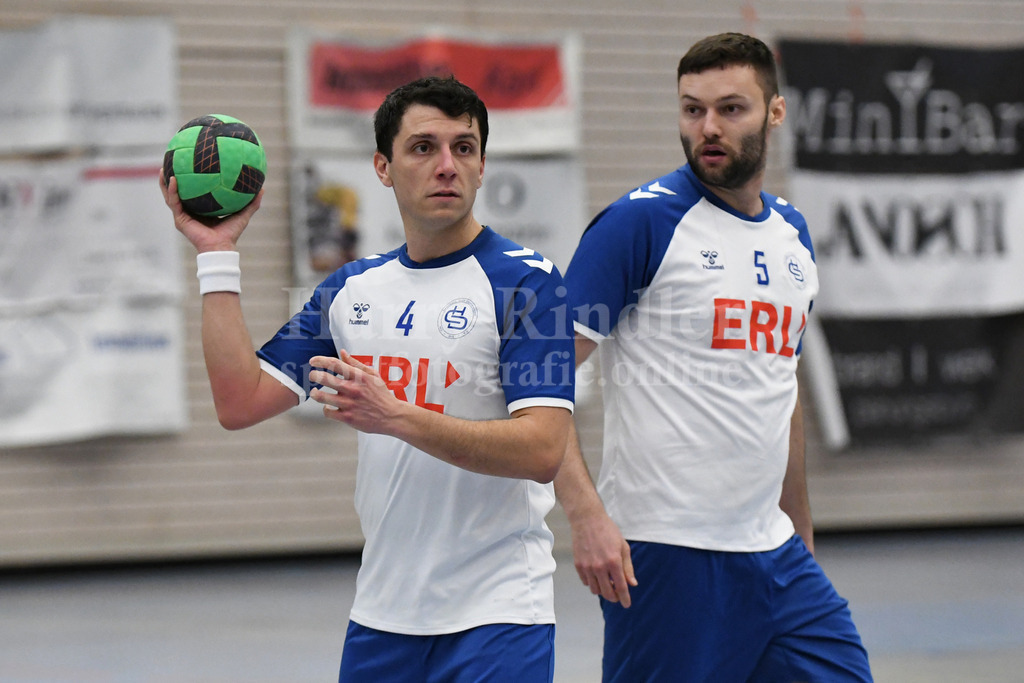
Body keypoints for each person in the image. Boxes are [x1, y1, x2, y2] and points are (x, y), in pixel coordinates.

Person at [161, 75, 575, 682]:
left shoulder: (527, 283)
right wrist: (216, 253)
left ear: (483, 166)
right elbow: (239, 400)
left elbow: (542, 449)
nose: (446, 166)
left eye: (464, 148)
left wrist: (396, 416)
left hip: (500, 612)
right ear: (382, 166)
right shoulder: (352, 289)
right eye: (423, 147)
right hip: (384, 614)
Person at [554, 33, 873, 681]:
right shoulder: (639, 225)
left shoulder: (792, 235)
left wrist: (798, 525)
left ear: (774, 113)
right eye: (692, 109)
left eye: (731, 108)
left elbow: (779, 389)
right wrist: (586, 516)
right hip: (670, 552)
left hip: (775, 554)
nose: (709, 127)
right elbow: (539, 377)